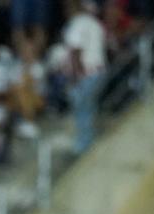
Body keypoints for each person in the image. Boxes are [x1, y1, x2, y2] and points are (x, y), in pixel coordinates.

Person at [61, 0, 106, 156]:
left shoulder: (77, 23)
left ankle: (84, 147)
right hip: (99, 72)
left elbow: (75, 52)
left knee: (82, 110)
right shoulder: (96, 23)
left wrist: (75, 77)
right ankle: (87, 143)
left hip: (86, 74)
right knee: (87, 109)